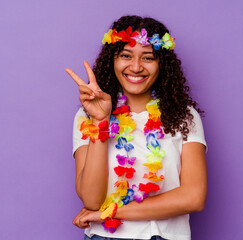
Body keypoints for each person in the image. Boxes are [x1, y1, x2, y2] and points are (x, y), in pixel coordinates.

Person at [66, 15, 207, 240]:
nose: (136, 67)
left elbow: (193, 197)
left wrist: (111, 212)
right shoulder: (86, 117)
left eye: (148, 57)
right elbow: (91, 200)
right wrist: (101, 121)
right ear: (112, 59)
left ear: (162, 63)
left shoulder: (184, 116)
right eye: (125, 55)